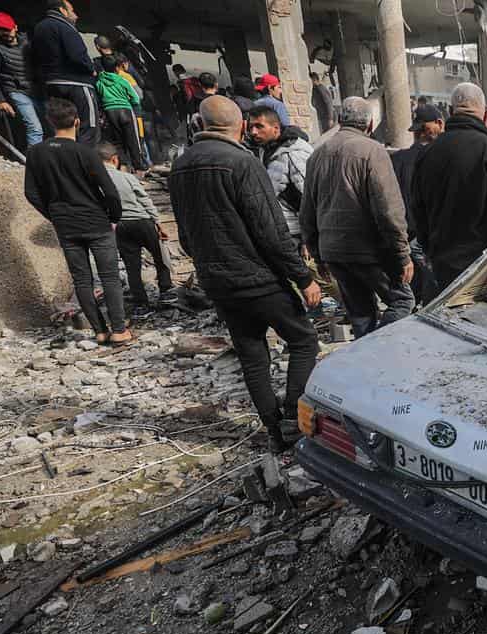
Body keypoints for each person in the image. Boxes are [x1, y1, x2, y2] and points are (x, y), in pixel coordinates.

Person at [168, 95, 319, 453]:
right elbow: (271, 231)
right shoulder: (242, 163)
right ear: (238, 126)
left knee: (252, 357)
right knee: (303, 341)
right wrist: (303, 277)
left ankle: (273, 431)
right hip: (258, 277)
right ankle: (291, 421)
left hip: (218, 282)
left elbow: (186, 237)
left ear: (201, 125)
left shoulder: (180, 166)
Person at [302, 97, 414, 338]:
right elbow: (388, 210)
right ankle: (378, 349)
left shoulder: (317, 155)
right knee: (403, 302)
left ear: (340, 121)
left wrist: (318, 253)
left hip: (333, 251)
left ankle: (368, 363)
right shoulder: (373, 151)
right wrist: (402, 254)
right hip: (366, 250)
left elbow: (307, 210)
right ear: (370, 124)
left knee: (361, 312)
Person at [24, 98, 129, 344]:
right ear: (77, 121)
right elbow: (109, 191)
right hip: (96, 221)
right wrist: (113, 216)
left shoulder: (35, 153)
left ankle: (99, 331)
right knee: (109, 276)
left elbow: (31, 193)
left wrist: (53, 214)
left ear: (49, 121)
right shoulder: (85, 152)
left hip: (66, 225)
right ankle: (119, 330)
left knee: (82, 278)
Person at [412, 83, 487, 290]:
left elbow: (418, 210)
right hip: (484, 266)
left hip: (442, 264)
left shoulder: (427, 153)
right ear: (484, 115)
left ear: (451, 111)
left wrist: (429, 249)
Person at [97, 142, 173, 312]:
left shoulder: (96, 182)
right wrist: (158, 223)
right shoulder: (127, 177)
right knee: (160, 256)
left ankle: (141, 304)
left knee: (132, 266)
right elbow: (144, 199)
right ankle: (166, 291)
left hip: (120, 226)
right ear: (115, 159)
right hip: (142, 221)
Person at [391, 104, 444, 301]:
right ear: (438, 124)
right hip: (429, 235)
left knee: (413, 292)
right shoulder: (438, 157)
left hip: (405, 233)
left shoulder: (398, 159)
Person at [32, 0, 101, 146]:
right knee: (89, 126)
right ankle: (84, 163)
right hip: (76, 83)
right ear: (63, 11)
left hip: (52, 84)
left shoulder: (39, 28)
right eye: (72, 11)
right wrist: (91, 68)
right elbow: (77, 55)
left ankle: (64, 161)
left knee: (61, 126)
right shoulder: (65, 26)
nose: (75, 16)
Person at [246, 106, 312, 252]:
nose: (253, 132)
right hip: (281, 228)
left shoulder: (294, 152)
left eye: (259, 126)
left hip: (296, 233)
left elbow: (308, 198)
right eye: (251, 127)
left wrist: (308, 238)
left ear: (275, 128)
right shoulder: (267, 148)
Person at [0, 12, 41, 148]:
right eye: (1, 30)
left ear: (15, 27)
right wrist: (0, 100)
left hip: (37, 90)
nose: (6, 33)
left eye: (8, 29)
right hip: (17, 91)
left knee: (53, 124)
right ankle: (35, 163)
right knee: (35, 128)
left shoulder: (28, 41)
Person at [96, 55, 148, 172]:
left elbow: (99, 97)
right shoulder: (122, 80)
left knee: (118, 142)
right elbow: (135, 98)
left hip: (110, 113)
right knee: (133, 141)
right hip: (125, 111)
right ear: (116, 67)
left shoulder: (99, 82)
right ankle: (139, 167)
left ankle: (123, 165)